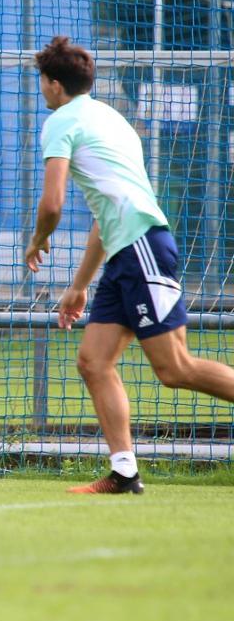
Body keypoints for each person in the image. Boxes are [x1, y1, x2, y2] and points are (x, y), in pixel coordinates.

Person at [26, 36, 234, 494]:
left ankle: (124, 472)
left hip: (142, 248)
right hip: (127, 251)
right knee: (93, 361)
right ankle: (124, 473)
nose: (42, 89)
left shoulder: (61, 121)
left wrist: (38, 240)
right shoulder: (111, 118)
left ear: (54, 84)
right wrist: (79, 285)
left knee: (174, 368)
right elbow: (107, 215)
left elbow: (52, 203)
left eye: (42, 81)